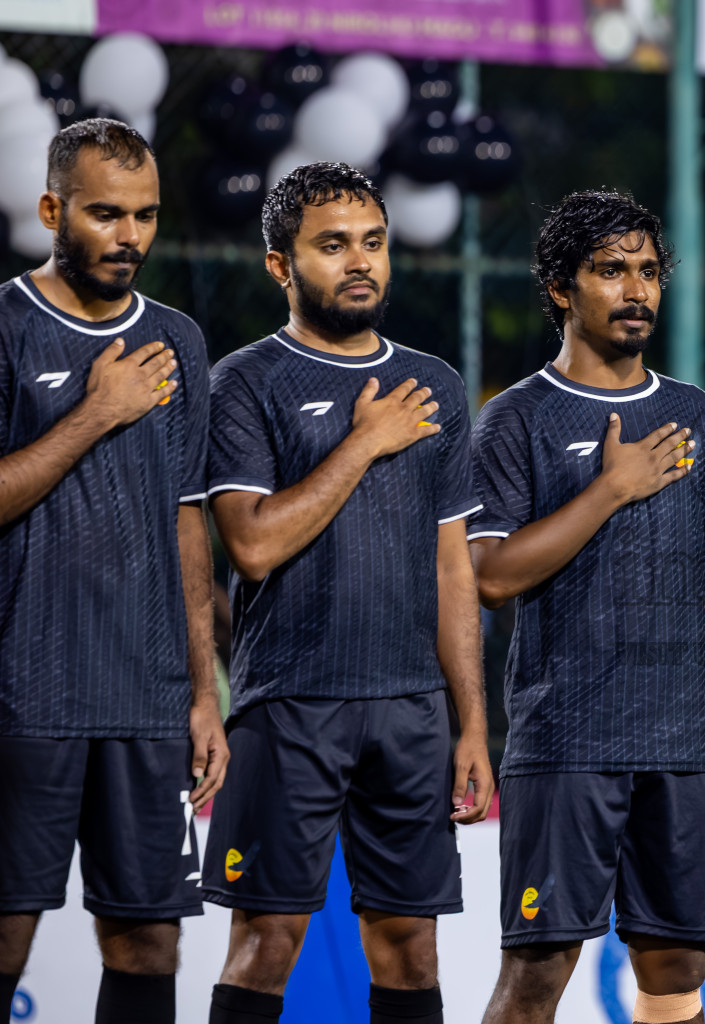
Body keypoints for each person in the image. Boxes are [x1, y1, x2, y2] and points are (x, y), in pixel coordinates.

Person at [198, 162, 492, 1024]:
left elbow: (452, 569)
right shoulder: (245, 382)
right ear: (281, 266)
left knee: (411, 948)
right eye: (332, 246)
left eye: (372, 243)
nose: (359, 261)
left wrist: (469, 722)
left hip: (410, 711)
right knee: (267, 940)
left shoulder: (433, 385)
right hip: (289, 704)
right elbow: (251, 544)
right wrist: (364, 442)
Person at [471, 189, 705, 1024]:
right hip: (566, 739)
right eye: (610, 271)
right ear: (563, 288)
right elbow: (491, 576)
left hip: (677, 748)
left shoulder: (695, 415)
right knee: (537, 971)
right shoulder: (516, 420)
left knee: (675, 965)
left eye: (647, 271)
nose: (635, 290)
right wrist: (609, 489)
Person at [0, 118, 227, 1024]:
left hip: (146, 702)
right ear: (54, 209)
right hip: (25, 697)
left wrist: (204, 690)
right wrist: (98, 412)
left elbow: (187, 524)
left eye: (145, 216)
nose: (128, 236)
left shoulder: (180, 340)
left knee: (149, 941)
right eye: (104, 214)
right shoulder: (9, 323)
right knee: (7, 934)